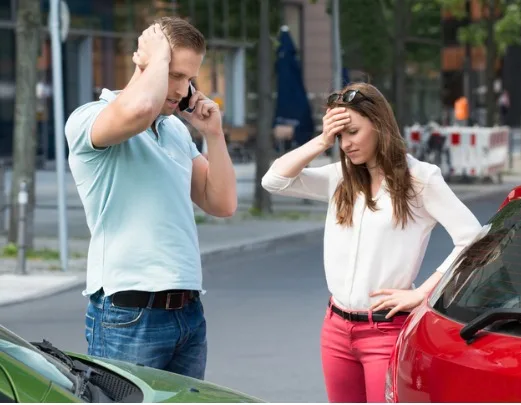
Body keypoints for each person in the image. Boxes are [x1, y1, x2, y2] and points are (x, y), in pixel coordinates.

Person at [261, 82, 482, 403]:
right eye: (340, 136)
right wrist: (321, 140)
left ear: (378, 125)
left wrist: (422, 293)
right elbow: (274, 181)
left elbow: (473, 238)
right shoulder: (341, 178)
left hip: (385, 331)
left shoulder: (420, 179)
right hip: (336, 328)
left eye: (353, 131)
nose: (346, 144)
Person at [64, 17, 237, 379]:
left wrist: (214, 135)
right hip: (127, 314)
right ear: (142, 61)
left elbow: (222, 203)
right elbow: (139, 109)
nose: (181, 88)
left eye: (189, 79)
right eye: (174, 74)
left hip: (187, 311)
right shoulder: (90, 118)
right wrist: (156, 56)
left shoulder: (175, 131)